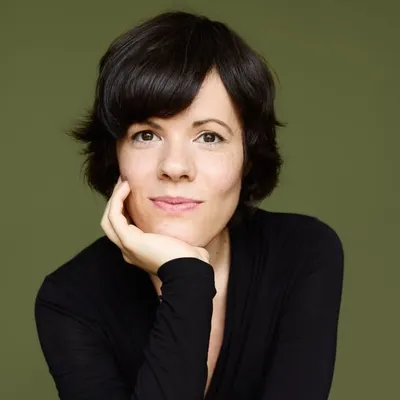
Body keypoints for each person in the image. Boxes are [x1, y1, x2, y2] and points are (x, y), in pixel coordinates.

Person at [34, 10, 344, 400]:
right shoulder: (71, 300)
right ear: (115, 153)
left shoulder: (301, 253)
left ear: (248, 156)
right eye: (146, 135)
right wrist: (186, 279)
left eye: (209, 137)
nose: (175, 167)